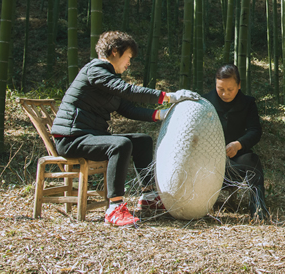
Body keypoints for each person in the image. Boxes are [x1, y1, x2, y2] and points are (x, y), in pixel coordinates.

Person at [51, 31, 200, 226]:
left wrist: (162, 115)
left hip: (90, 136)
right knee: (120, 145)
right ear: (114, 51)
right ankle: (115, 208)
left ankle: (148, 196)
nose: (129, 63)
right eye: (128, 57)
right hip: (71, 138)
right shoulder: (95, 70)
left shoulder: (107, 79)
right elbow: (127, 91)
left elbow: (127, 108)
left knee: (142, 140)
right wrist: (169, 97)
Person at [203, 64, 269, 221]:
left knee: (252, 161)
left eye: (230, 89)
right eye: (220, 89)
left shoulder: (247, 103)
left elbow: (255, 131)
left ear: (239, 86)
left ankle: (258, 209)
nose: (225, 94)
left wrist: (238, 144)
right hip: (206, 163)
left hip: (233, 162)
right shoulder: (205, 102)